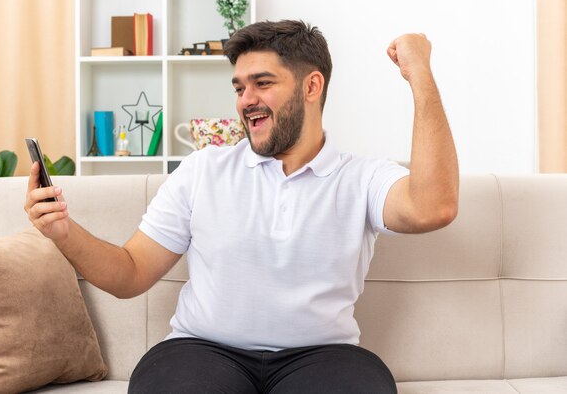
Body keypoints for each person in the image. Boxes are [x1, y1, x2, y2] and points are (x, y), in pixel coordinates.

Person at [25, 20, 458, 394]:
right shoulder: (202, 171)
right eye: (239, 87)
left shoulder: (361, 177)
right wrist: (63, 230)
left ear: (312, 86)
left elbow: (432, 207)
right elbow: (130, 274)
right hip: (202, 352)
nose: (245, 99)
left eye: (263, 83)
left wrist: (419, 73)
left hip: (324, 357)